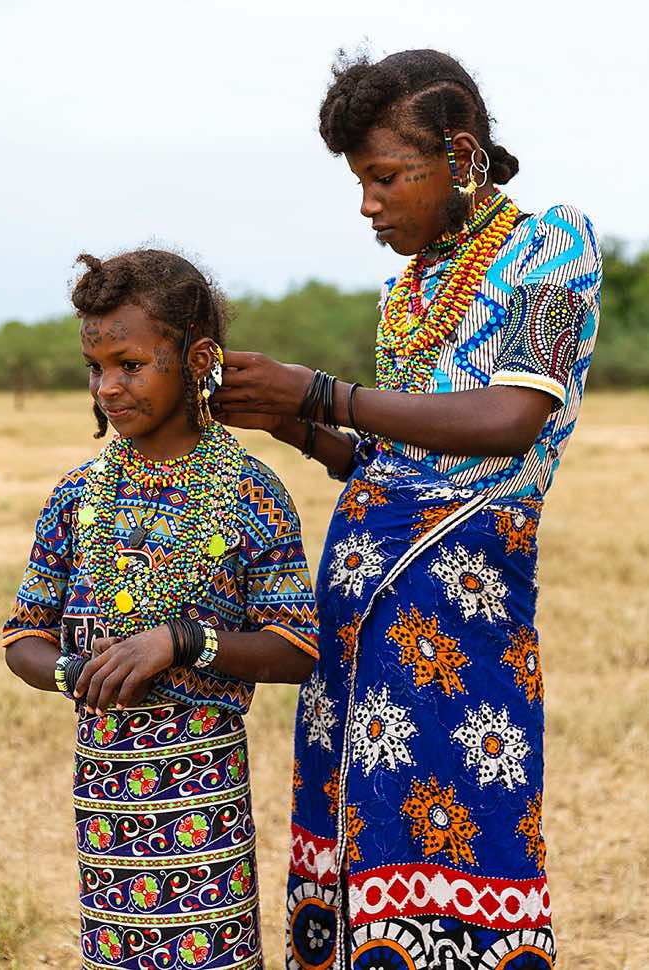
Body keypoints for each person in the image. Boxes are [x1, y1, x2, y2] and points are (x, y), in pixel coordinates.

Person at [215, 50, 602, 970]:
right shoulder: (409, 289)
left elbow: (510, 419)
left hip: (455, 610)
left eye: (385, 177)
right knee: (358, 827)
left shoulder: (553, 243)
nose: (369, 204)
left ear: (461, 157)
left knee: (459, 821)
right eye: (361, 182)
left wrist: (326, 392)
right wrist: (298, 422)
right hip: (354, 615)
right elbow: (390, 460)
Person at [2, 249, 318, 970]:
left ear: (197, 357)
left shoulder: (251, 492)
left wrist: (183, 641)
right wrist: (73, 672)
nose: (108, 387)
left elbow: (297, 648)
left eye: (130, 364)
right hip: (105, 800)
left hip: (204, 803)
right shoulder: (77, 495)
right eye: (95, 368)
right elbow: (23, 634)